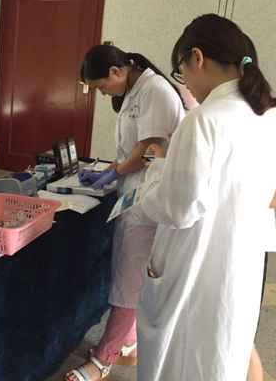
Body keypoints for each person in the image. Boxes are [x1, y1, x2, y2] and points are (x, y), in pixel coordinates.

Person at [136, 14, 276, 380]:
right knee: (225, 349)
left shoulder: (203, 120)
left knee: (182, 355)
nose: (187, 84)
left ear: (197, 58)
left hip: (195, 261)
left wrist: (150, 185)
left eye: (182, 72)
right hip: (241, 263)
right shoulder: (274, 118)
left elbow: (179, 209)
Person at [66, 45, 185, 381]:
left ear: (116, 72)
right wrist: (113, 170)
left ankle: (104, 358)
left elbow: (150, 149)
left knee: (128, 278)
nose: (103, 94)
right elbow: (136, 147)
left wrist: (116, 170)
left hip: (148, 198)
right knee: (129, 271)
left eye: (102, 86)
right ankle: (129, 340)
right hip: (136, 191)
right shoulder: (136, 91)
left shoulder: (155, 91)